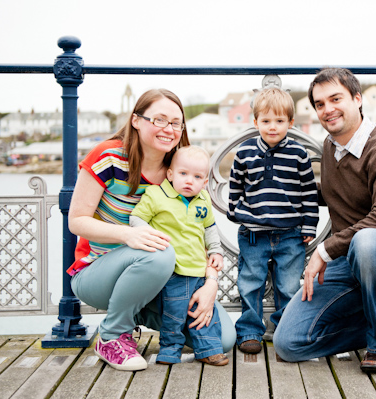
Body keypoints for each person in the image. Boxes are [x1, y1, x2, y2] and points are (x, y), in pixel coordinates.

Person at [273, 68, 376, 373]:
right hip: (350, 262)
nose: (327, 109)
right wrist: (281, 189)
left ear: (358, 99)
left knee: (368, 239)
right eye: (319, 104)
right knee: (288, 343)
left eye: (336, 99)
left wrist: (323, 251)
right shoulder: (330, 146)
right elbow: (338, 194)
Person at [67, 89, 236, 372]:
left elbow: (200, 231)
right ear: (136, 120)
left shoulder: (181, 171)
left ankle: (135, 315)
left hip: (167, 283)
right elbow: (77, 221)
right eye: (159, 120)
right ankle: (111, 336)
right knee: (159, 253)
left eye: (175, 123)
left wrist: (211, 283)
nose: (168, 129)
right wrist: (128, 235)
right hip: (99, 273)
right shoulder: (109, 156)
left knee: (223, 337)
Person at [227, 87, 319, 354]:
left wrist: (309, 225)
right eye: (266, 121)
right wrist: (236, 212)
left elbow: (308, 193)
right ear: (255, 122)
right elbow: (235, 188)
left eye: (280, 121)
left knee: (289, 286)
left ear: (291, 123)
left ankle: (284, 328)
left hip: (290, 234)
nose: (272, 127)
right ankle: (249, 331)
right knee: (250, 283)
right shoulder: (244, 153)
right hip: (253, 234)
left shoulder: (299, 154)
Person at [130, 145, 229, 366]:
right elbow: (137, 218)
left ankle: (208, 349)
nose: (189, 181)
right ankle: (169, 350)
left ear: (204, 183)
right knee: (174, 314)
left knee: (203, 312)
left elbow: (210, 228)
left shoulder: (203, 200)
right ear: (170, 174)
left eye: (196, 177)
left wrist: (216, 251)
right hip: (173, 270)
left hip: (198, 270)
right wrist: (149, 236)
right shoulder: (156, 195)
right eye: (183, 174)